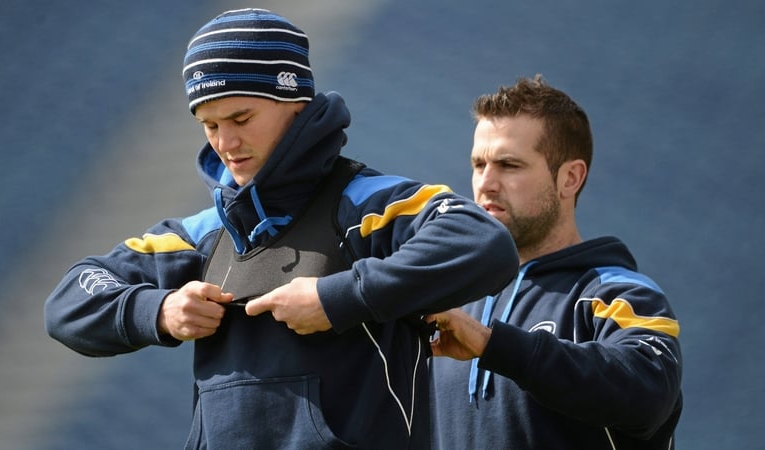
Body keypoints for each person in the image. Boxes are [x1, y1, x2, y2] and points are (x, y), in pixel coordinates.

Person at [43, 8, 519, 450]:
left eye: (241, 117)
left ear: (294, 101)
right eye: (209, 124)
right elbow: (71, 297)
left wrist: (336, 300)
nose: (226, 142)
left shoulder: (370, 203)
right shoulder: (201, 233)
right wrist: (161, 309)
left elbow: (483, 242)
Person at [427, 75, 682, 449]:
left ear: (570, 178)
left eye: (509, 165)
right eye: (479, 164)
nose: (487, 184)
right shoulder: (451, 300)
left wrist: (492, 344)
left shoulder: (621, 295)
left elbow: (648, 395)